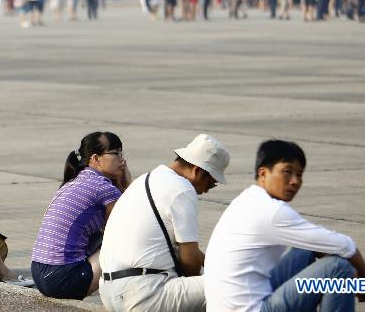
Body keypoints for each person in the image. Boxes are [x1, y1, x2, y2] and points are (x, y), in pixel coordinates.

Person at [203, 139, 365, 312]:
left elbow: (324, 245)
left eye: (299, 174)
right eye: (287, 172)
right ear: (263, 174)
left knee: (305, 250)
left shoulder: (247, 199)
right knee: (338, 268)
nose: (295, 181)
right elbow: (345, 246)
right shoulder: (272, 212)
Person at [100, 134, 230, 312]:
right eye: (211, 183)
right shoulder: (182, 190)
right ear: (197, 171)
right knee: (232, 286)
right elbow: (189, 260)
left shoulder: (145, 180)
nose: (207, 191)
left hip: (109, 291)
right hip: (143, 294)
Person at [32, 132, 129, 301]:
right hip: (61, 279)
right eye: (115, 153)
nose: (122, 160)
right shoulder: (103, 188)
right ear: (96, 159)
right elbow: (131, 226)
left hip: (40, 273)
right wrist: (126, 183)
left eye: (121, 153)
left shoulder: (74, 182)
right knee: (124, 244)